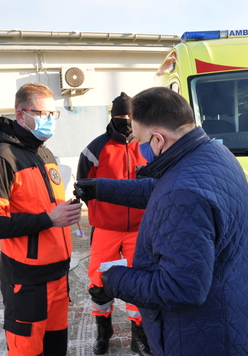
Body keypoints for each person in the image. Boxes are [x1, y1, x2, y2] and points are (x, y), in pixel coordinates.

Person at [75, 87, 248, 356]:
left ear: (158, 139)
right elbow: (159, 189)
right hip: (226, 317)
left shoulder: (183, 194)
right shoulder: (213, 155)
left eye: (140, 140)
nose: (138, 147)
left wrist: (113, 278)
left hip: (196, 338)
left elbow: (180, 288)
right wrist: (100, 188)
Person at [0, 82, 82, 356]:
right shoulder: (0, 158)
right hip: (28, 284)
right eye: (41, 113)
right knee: (27, 351)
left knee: (55, 349)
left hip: (59, 275)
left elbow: (38, 207)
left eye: (52, 115)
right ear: (20, 114)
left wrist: (61, 213)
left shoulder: (44, 152)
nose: (48, 121)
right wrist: (49, 220)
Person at [76, 92, 151, 355]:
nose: (127, 121)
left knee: (140, 284)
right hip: (106, 230)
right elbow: (82, 186)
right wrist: (99, 214)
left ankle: (139, 336)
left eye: (131, 116)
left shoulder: (148, 145)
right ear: (112, 116)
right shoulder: (95, 149)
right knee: (99, 283)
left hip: (140, 231)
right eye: (121, 116)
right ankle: (103, 329)